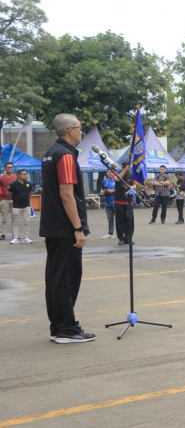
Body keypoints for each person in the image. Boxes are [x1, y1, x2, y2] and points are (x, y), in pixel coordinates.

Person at [40, 113, 94, 343]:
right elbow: (67, 195)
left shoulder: (50, 154)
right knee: (67, 278)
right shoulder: (65, 156)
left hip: (52, 227)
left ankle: (59, 326)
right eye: (80, 127)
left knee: (55, 277)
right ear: (70, 131)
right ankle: (66, 329)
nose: (82, 131)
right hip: (65, 229)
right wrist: (78, 228)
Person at [7, 169, 33, 244]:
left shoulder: (28, 183)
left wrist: (26, 199)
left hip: (26, 206)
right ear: (18, 175)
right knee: (16, 222)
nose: (25, 175)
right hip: (16, 206)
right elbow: (8, 194)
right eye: (24, 174)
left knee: (27, 222)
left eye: (25, 174)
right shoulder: (13, 184)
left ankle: (26, 238)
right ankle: (15, 238)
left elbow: (30, 192)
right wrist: (14, 200)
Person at [114, 167, 135, 245]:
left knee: (129, 221)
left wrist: (129, 187)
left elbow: (135, 186)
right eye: (127, 167)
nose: (128, 168)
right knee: (120, 221)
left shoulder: (132, 175)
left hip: (128, 201)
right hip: (119, 201)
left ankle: (128, 238)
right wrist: (124, 171)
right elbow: (117, 179)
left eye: (129, 167)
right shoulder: (117, 173)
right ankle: (121, 238)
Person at [0, 161, 16, 240]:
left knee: (14, 218)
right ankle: (3, 234)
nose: (10, 169)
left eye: (11, 167)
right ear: (5, 168)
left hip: (14, 200)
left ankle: (15, 235)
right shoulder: (1, 177)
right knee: (4, 217)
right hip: (4, 200)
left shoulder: (15, 177)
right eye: (8, 167)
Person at [100, 170, 116, 239]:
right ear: (107, 173)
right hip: (108, 203)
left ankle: (121, 233)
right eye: (109, 172)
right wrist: (103, 192)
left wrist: (110, 191)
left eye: (112, 172)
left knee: (119, 219)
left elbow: (118, 190)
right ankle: (110, 233)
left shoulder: (116, 180)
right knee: (110, 219)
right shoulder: (104, 181)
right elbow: (101, 190)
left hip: (116, 203)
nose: (110, 173)